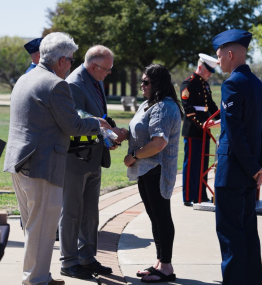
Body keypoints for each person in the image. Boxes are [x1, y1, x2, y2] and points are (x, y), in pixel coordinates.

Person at [3, 32, 111, 285]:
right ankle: (36, 280)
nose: (71, 65)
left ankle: (37, 276)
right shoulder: (55, 84)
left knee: (33, 227)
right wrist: (98, 124)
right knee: (42, 229)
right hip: (42, 165)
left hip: (19, 163)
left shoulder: (25, 78)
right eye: (71, 60)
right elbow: (73, 125)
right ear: (61, 60)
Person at [212, 29, 262, 285]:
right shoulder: (259, 86)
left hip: (233, 174)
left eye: (219, 56)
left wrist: (253, 168)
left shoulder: (232, 84)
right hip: (249, 175)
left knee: (231, 236)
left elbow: (235, 133)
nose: (218, 62)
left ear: (230, 54)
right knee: (248, 234)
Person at [59, 45, 127, 280]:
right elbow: (76, 120)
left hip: (94, 155)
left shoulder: (95, 79)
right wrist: (105, 132)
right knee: (71, 211)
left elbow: (100, 115)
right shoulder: (74, 83)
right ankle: (69, 261)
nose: (109, 73)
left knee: (89, 211)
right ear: (93, 66)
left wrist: (111, 134)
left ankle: (87, 257)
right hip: (76, 157)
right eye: (106, 69)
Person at [124, 64, 183, 283]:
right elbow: (138, 129)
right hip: (146, 171)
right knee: (155, 217)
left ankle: (166, 267)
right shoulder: (150, 105)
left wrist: (133, 156)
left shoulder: (164, 107)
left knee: (161, 217)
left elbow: (158, 143)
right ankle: (160, 262)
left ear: (157, 83)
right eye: (142, 81)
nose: (142, 85)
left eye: (146, 82)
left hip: (157, 170)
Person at [180, 54, 220, 206]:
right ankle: (188, 196)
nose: (210, 74)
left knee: (203, 165)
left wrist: (221, 117)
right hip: (193, 130)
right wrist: (202, 124)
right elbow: (189, 111)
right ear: (201, 66)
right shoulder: (188, 84)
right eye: (209, 70)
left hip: (205, 130)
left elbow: (211, 105)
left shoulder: (205, 85)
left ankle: (200, 196)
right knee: (191, 165)